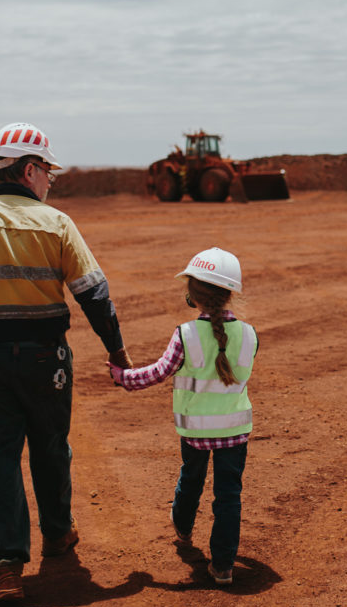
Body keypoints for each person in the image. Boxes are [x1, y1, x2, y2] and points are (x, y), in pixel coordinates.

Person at [0, 122, 133, 603]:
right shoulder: (57, 223)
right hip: (47, 360)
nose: (50, 182)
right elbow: (94, 295)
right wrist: (116, 349)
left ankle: (5, 567)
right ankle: (58, 534)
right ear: (29, 169)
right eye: (48, 173)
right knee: (50, 445)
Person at [109, 248, 256, 587]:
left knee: (192, 478)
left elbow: (157, 373)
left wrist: (122, 377)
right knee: (229, 496)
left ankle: (183, 527)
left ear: (192, 294)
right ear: (230, 292)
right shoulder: (249, 335)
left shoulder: (186, 334)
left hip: (195, 433)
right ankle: (223, 566)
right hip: (236, 431)